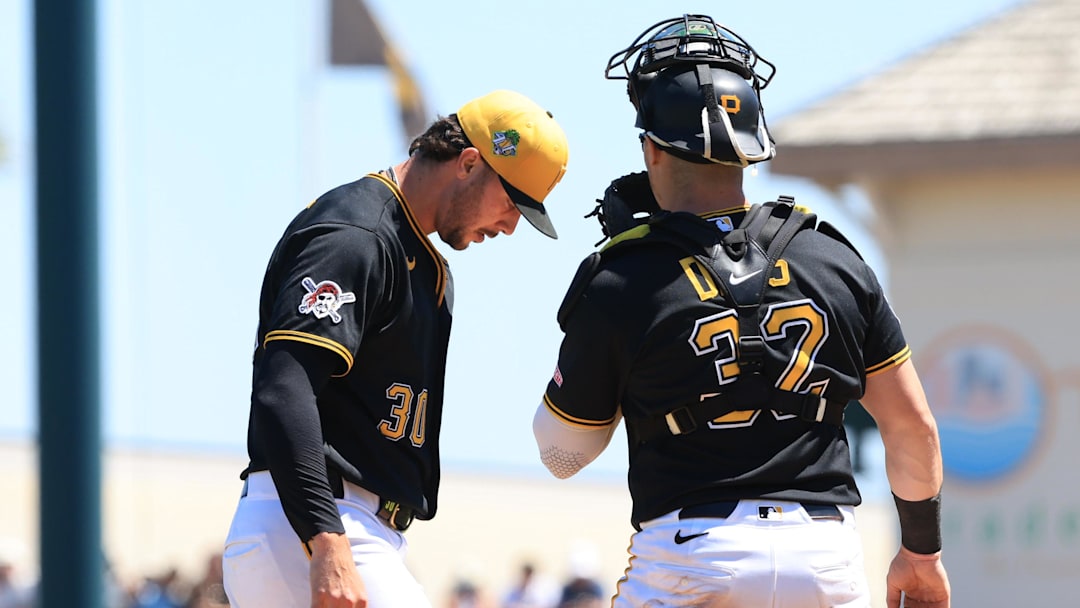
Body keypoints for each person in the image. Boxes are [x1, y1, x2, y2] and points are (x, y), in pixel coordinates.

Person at [532, 14, 950, 608]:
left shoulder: (623, 276)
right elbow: (913, 428)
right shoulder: (833, 256)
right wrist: (922, 555)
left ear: (650, 148)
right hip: (824, 558)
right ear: (752, 146)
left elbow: (562, 456)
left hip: (693, 555)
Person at [223, 89, 569, 608]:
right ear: (468, 163)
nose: (510, 225)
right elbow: (285, 388)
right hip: (313, 522)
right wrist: (326, 540)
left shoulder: (416, 256)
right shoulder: (358, 233)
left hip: (344, 528)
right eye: (512, 201)